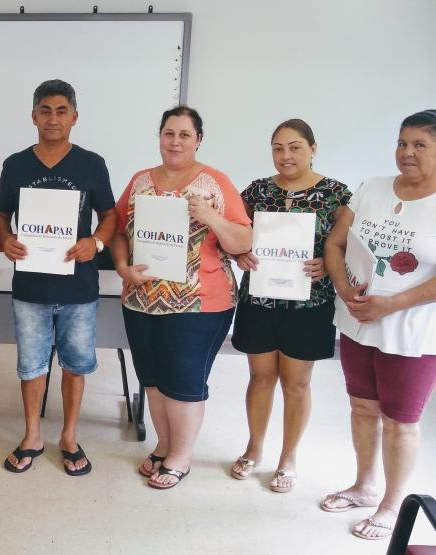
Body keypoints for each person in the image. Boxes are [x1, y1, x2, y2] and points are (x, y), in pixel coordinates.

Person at [111, 105, 252, 489]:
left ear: (198, 140)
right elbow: (119, 230)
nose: (175, 142)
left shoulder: (215, 183)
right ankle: (163, 446)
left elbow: (243, 240)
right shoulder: (140, 181)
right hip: (141, 300)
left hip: (199, 303)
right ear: (160, 136)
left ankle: (180, 457)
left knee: (183, 382)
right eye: (169, 133)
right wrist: (122, 267)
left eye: (184, 134)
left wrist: (211, 216)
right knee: (153, 380)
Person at [319, 109, 436, 541]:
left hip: (412, 332)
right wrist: (344, 288)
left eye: (420, 144)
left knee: (400, 420)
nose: (407, 152)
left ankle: (391, 504)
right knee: (363, 407)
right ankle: (364, 485)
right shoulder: (372, 188)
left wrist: (393, 304)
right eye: (402, 143)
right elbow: (335, 244)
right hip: (358, 321)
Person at [0, 79, 116, 476]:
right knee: (31, 366)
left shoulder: (92, 164)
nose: (53, 119)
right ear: (33, 116)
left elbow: (110, 216)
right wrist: (5, 240)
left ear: (74, 117)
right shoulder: (15, 165)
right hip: (31, 288)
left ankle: (69, 436)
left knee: (75, 366)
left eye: (61, 111)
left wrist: (96, 242)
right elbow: (0, 216)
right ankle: (32, 436)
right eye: (45, 111)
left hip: (79, 287)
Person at [228, 120, 351, 492]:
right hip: (260, 299)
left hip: (309, 305)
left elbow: (351, 247)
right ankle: (254, 448)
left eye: (295, 147)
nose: (285, 155)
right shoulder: (257, 191)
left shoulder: (336, 194)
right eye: (278, 148)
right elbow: (233, 235)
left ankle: (288, 458)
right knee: (260, 378)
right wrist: (240, 254)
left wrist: (330, 264)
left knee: (296, 384)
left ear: (313, 148)